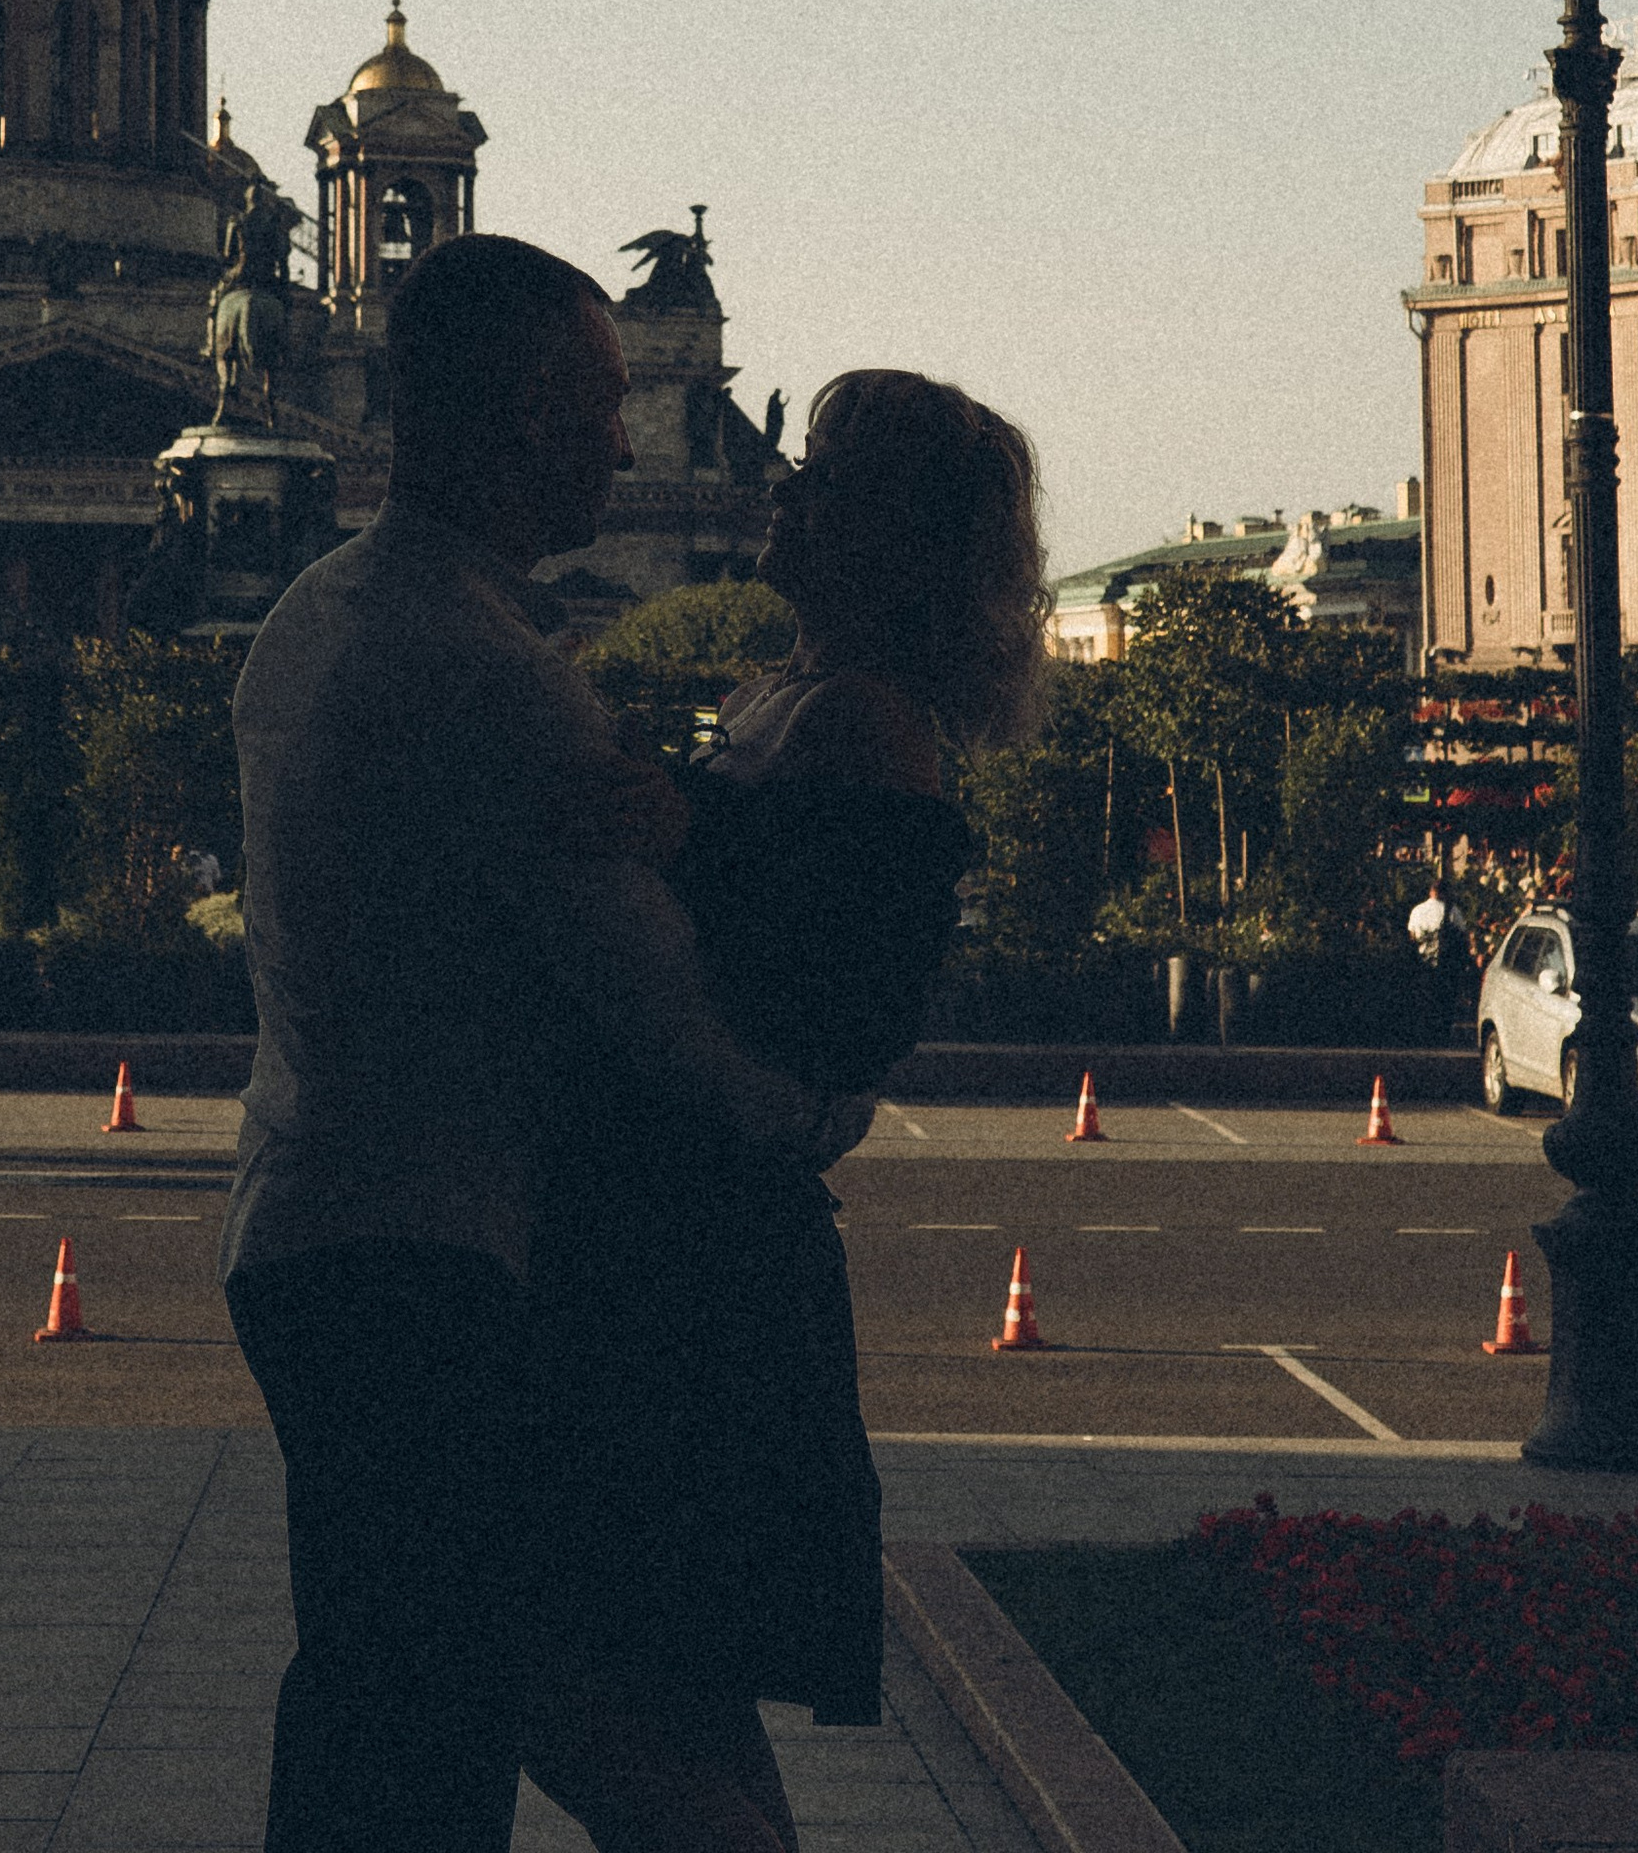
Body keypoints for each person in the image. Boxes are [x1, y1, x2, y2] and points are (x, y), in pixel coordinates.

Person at [220, 233, 826, 1853]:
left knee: (380, 1699)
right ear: (516, 416)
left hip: (306, 1219)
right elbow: (662, 1013)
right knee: (426, 1730)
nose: (632, 441)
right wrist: (815, 1112)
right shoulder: (489, 675)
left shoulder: (320, 609)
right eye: (604, 401)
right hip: (426, 1252)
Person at [519, 368, 1048, 1853]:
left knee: (547, 1663)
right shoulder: (802, 696)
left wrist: (684, 830)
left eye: (815, 470)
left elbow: (839, 1005)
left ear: (881, 533)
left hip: (700, 1266)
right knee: (677, 1689)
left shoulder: (866, 725)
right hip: (686, 1244)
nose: (780, 485)